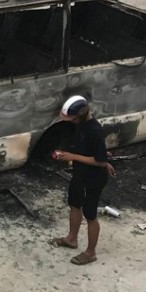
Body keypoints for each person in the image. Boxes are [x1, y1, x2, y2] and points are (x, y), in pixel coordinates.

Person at [49, 96, 115, 265]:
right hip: (80, 174)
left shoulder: (94, 130)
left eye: (73, 118)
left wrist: (72, 156)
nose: (71, 121)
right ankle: (71, 239)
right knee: (74, 204)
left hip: (93, 178)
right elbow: (95, 152)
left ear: (81, 115)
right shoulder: (81, 126)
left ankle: (90, 252)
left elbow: (100, 160)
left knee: (90, 214)